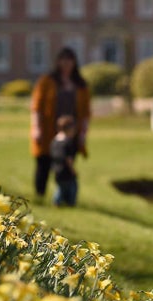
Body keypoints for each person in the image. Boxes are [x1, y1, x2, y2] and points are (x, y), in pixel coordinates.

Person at [30, 47, 90, 200]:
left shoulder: (80, 85)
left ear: (74, 63)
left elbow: (85, 113)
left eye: (69, 60)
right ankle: (40, 196)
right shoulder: (46, 82)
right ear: (58, 62)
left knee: (66, 168)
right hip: (48, 131)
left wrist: (83, 133)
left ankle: (64, 199)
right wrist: (36, 128)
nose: (66, 64)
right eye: (63, 60)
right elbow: (36, 107)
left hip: (71, 133)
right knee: (44, 163)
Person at [50, 115, 78, 207]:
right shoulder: (68, 142)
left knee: (60, 187)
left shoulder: (54, 141)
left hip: (56, 169)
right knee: (71, 187)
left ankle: (58, 202)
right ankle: (69, 202)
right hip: (66, 170)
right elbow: (68, 159)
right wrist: (73, 170)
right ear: (69, 129)